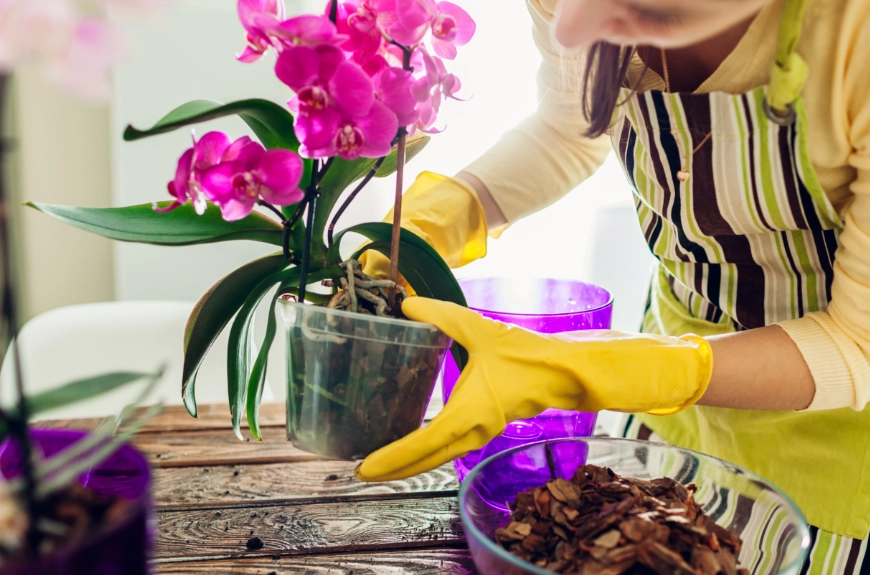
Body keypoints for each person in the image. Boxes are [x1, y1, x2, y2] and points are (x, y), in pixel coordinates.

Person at [355, 0, 870, 568]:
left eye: (637, 6)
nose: (569, 24)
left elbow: (858, 342)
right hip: (665, 418)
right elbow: (568, 126)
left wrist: (603, 366)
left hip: (832, 461)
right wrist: (444, 216)